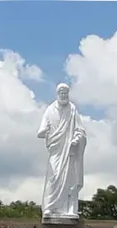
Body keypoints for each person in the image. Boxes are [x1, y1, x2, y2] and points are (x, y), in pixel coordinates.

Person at [36, 83, 87, 220]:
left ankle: (69, 208)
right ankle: (50, 207)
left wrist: (77, 139)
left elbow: (80, 130)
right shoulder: (50, 110)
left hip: (69, 151)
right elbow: (40, 131)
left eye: (66, 93)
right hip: (56, 150)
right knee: (54, 178)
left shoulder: (72, 110)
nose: (64, 95)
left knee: (70, 180)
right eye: (61, 93)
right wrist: (44, 132)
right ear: (57, 94)